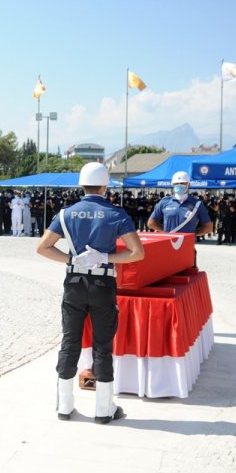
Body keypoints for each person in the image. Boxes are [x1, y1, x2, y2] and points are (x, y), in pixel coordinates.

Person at [36, 162, 144, 424]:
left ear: (81, 185)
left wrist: (72, 261)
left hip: (74, 284)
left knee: (70, 342)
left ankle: (64, 406)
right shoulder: (116, 213)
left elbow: (43, 247)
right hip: (102, 285)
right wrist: (104, 256)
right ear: (105, 185)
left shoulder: (65, 214)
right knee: (103, 347)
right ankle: (103, 410)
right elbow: (137, 253)